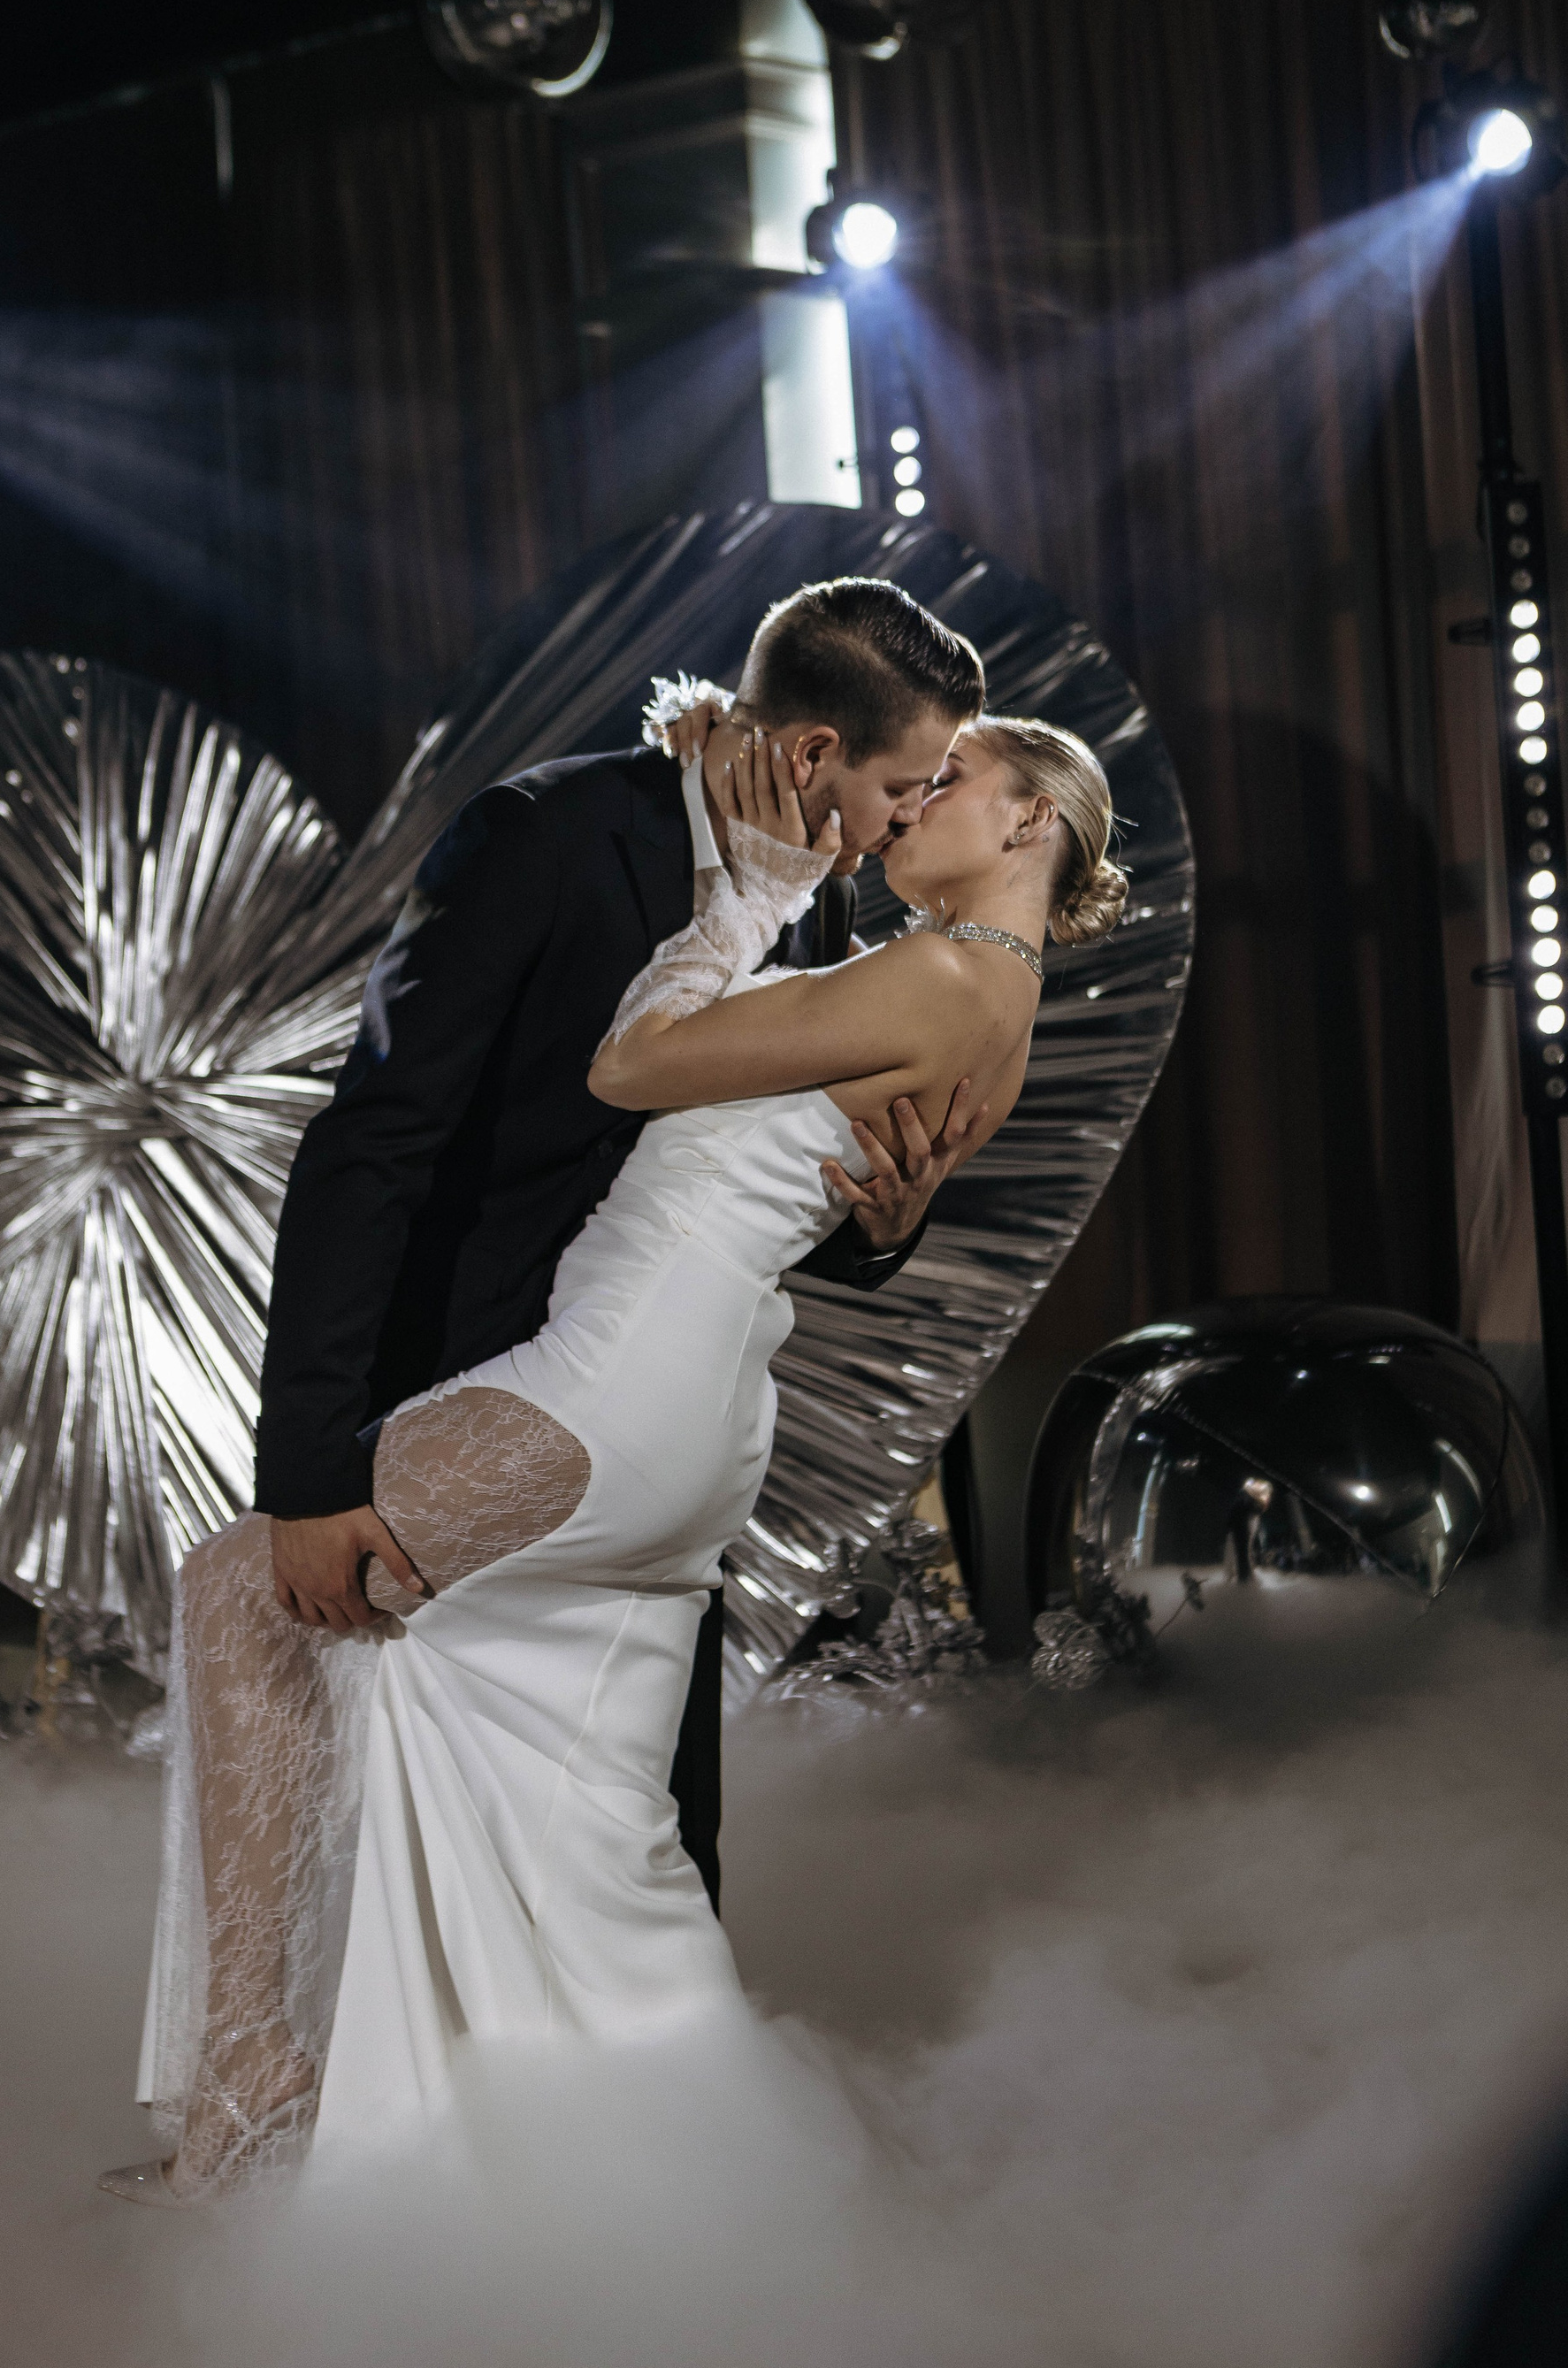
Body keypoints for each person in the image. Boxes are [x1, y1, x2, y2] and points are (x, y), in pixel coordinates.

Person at [103, 589, 1127, 2204]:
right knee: (592, 1831)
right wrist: (310, 1458)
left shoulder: (833, 915)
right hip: (523, 1381)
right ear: (813, 750)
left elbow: (762, 1148)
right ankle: (553, 2177)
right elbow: (376, 1143)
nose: (900, 821)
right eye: (898, 786)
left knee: (591, 1797)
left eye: (935, 790)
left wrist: (888, 1208)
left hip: (616, 1402)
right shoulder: (546, 835)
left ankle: (289, 2100)